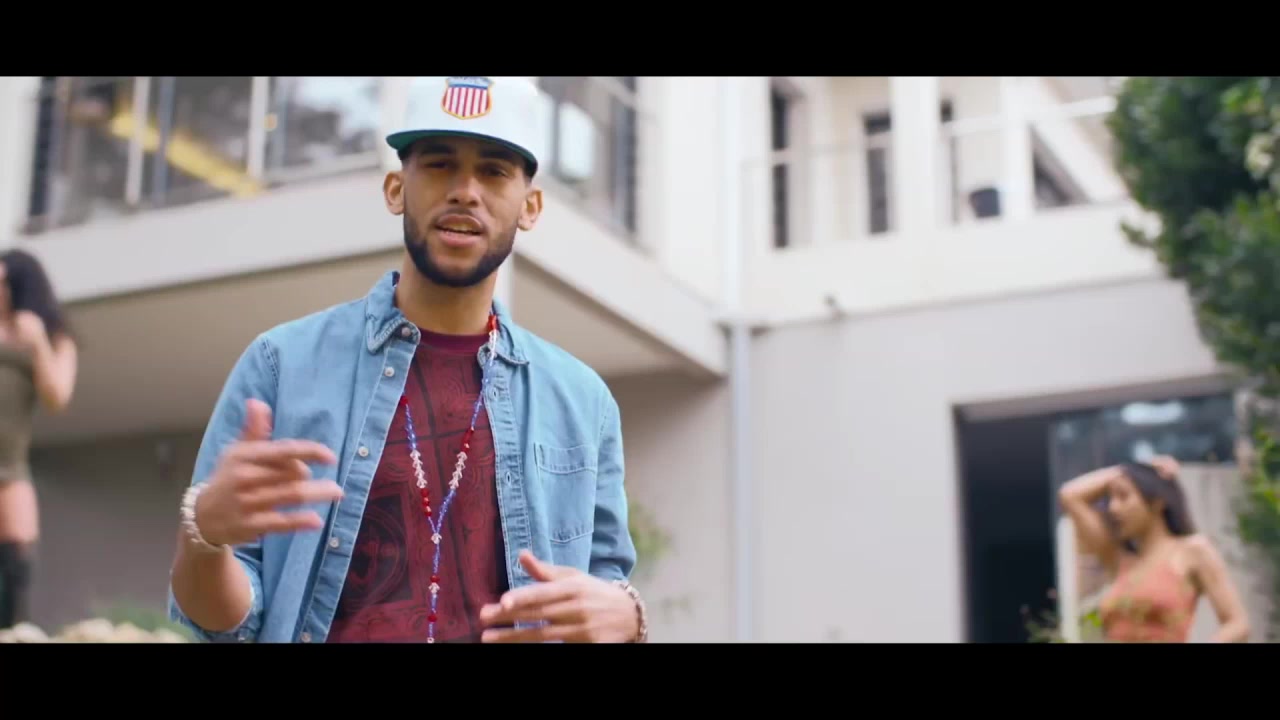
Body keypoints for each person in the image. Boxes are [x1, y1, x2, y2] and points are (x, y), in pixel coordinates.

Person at [167, 76, 647, 644]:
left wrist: (630, 619)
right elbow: (220, 622)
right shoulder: (282, 365)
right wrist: (206, 537)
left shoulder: (581, 401)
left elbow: (604, 593)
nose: (465, 191)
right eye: (440, 165)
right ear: (396, 190)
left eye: (494, 171)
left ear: (531, 206)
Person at [1057, 455, 1250, 642]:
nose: (1113, 508)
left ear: (1157, 501)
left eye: (1123, 496)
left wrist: (1141, 472)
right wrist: (1132, 469)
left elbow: (1237, 623)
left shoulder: (1192, 551)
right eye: (1111, 499)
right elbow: (1070, 495)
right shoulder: (1118, 559)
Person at [0, 249, 78, 629]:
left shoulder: (53, 338)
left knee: (16, 560)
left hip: (9, 465)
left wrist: (37, 343)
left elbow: (56, 396)